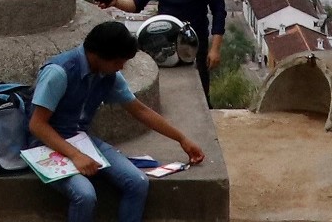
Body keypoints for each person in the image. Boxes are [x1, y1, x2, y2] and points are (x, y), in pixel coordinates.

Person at [28, 22, 206, 222]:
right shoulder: (59, 73)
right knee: (85, 195)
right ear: (98, 55)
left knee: (138, 182)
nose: (121, 67)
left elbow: (140, 110)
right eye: (118, 62)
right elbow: (37, 125)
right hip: (47, 145)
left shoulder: (108, 74)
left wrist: (181, 139)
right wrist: (76, 156)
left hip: (81, 140)